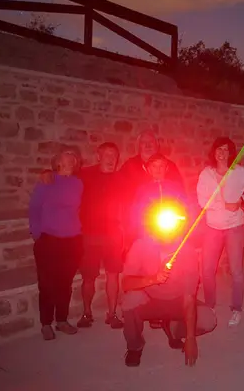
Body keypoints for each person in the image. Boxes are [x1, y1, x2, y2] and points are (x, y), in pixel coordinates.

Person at [121, 153, 217, 367]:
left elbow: (189, 297)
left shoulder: (186, 249)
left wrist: (191, 339)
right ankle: (135, 346)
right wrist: (152, 279)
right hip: (150, 296)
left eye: (162, 166)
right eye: (153, 166)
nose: (158, 169)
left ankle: (174, 327)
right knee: (129, 301)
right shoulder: (142, 244)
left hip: (175, 299)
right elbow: (126, 283)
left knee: (209, 319)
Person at [197, 137, 244, 327]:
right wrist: (223, 204)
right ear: (213, 152)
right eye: (218, 149)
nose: (222, 153)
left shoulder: (239, 172)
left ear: (231, 154)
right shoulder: (206, 174)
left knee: (236, 271)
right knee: (207, 270)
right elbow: (202, 201)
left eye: (226, 150)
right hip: (213, 227)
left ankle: (236, 309)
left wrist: (241, 201)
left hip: (235, 227)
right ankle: (209, 305)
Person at [28, 145, 84, 341]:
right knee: (47, 284)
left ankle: (61, 320)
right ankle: (46, 323)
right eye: (66, 156)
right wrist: (37, 234)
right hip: (49, 240)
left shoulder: (78, 183)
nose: (71, 159)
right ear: (57, 162)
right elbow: (34, 208)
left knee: (64, 284)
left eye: (74, 157)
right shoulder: (47, 181)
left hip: (72, 241)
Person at [76, 142, 125, 329]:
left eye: (114, 156)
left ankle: (112, 314)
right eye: (107, 155)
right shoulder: (85, 175)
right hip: (89, 234)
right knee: (88, 277)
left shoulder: (120, 179)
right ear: (98, 156)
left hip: (113, 234)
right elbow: (64, 181)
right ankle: (86, 313)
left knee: (113, 275)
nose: (111, 159)